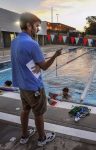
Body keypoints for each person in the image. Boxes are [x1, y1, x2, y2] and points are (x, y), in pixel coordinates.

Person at [11, 12, 61, 147]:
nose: (38, 29)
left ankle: (24, 136)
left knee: (25, 110)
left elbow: (20, 62)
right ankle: (42, 138)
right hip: (34, 87)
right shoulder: (32, 43)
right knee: (38, 113)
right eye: (37, 26)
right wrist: (55, 55)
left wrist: (36, 65)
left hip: (22, 85)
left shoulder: (14, 41)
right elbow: (44, 66)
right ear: (28, 26)